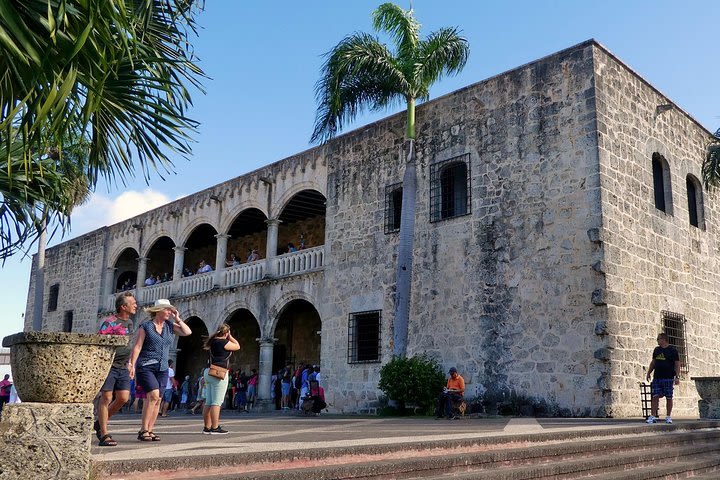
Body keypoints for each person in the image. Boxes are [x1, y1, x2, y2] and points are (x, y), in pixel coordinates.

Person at [128, 298, 191, 442]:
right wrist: (132, 364)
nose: (169, 312)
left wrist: (178, 318)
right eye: (167, 309)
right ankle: (143, 429)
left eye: (170, 309)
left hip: (162, 367)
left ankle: (149, 430)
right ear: (158, 311)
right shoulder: (146, 326)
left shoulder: (169, 326)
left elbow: (187, 332)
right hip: (146, 366)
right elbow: (137, 347)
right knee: (154, 395)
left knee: (157, 399)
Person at [94, 292, 137, 447]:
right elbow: (100, 343)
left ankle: (100, 422)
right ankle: (104, 434)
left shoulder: (130, 323)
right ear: (123, 307)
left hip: (123, 366)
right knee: (106, 398)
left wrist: (131, 364)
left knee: (123, 398)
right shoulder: (109, 322)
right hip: (110, 365)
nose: (136, 305)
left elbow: (130, 345)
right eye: (132, 303)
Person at [202, 324, 240, 434]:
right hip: (219, 373)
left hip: (208, 371)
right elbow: (237, 346)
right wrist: (230, 337)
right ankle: (215, 427)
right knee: (216, 402)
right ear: (226, 333)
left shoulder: (212, 341)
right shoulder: (224, 342)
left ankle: (207, 427)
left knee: (208, 401)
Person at [645, 332, 681, 424]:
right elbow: (653, 362)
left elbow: (677, 364)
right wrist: (649, 372)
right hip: (657, 377)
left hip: (668, 377)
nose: (657, 340)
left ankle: (668, 416)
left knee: (669, 397)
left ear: (664, 339)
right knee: (655, 396)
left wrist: (677, 377)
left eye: (658, 339)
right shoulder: (657, 350)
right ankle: (653, 416)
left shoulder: (673, 351)